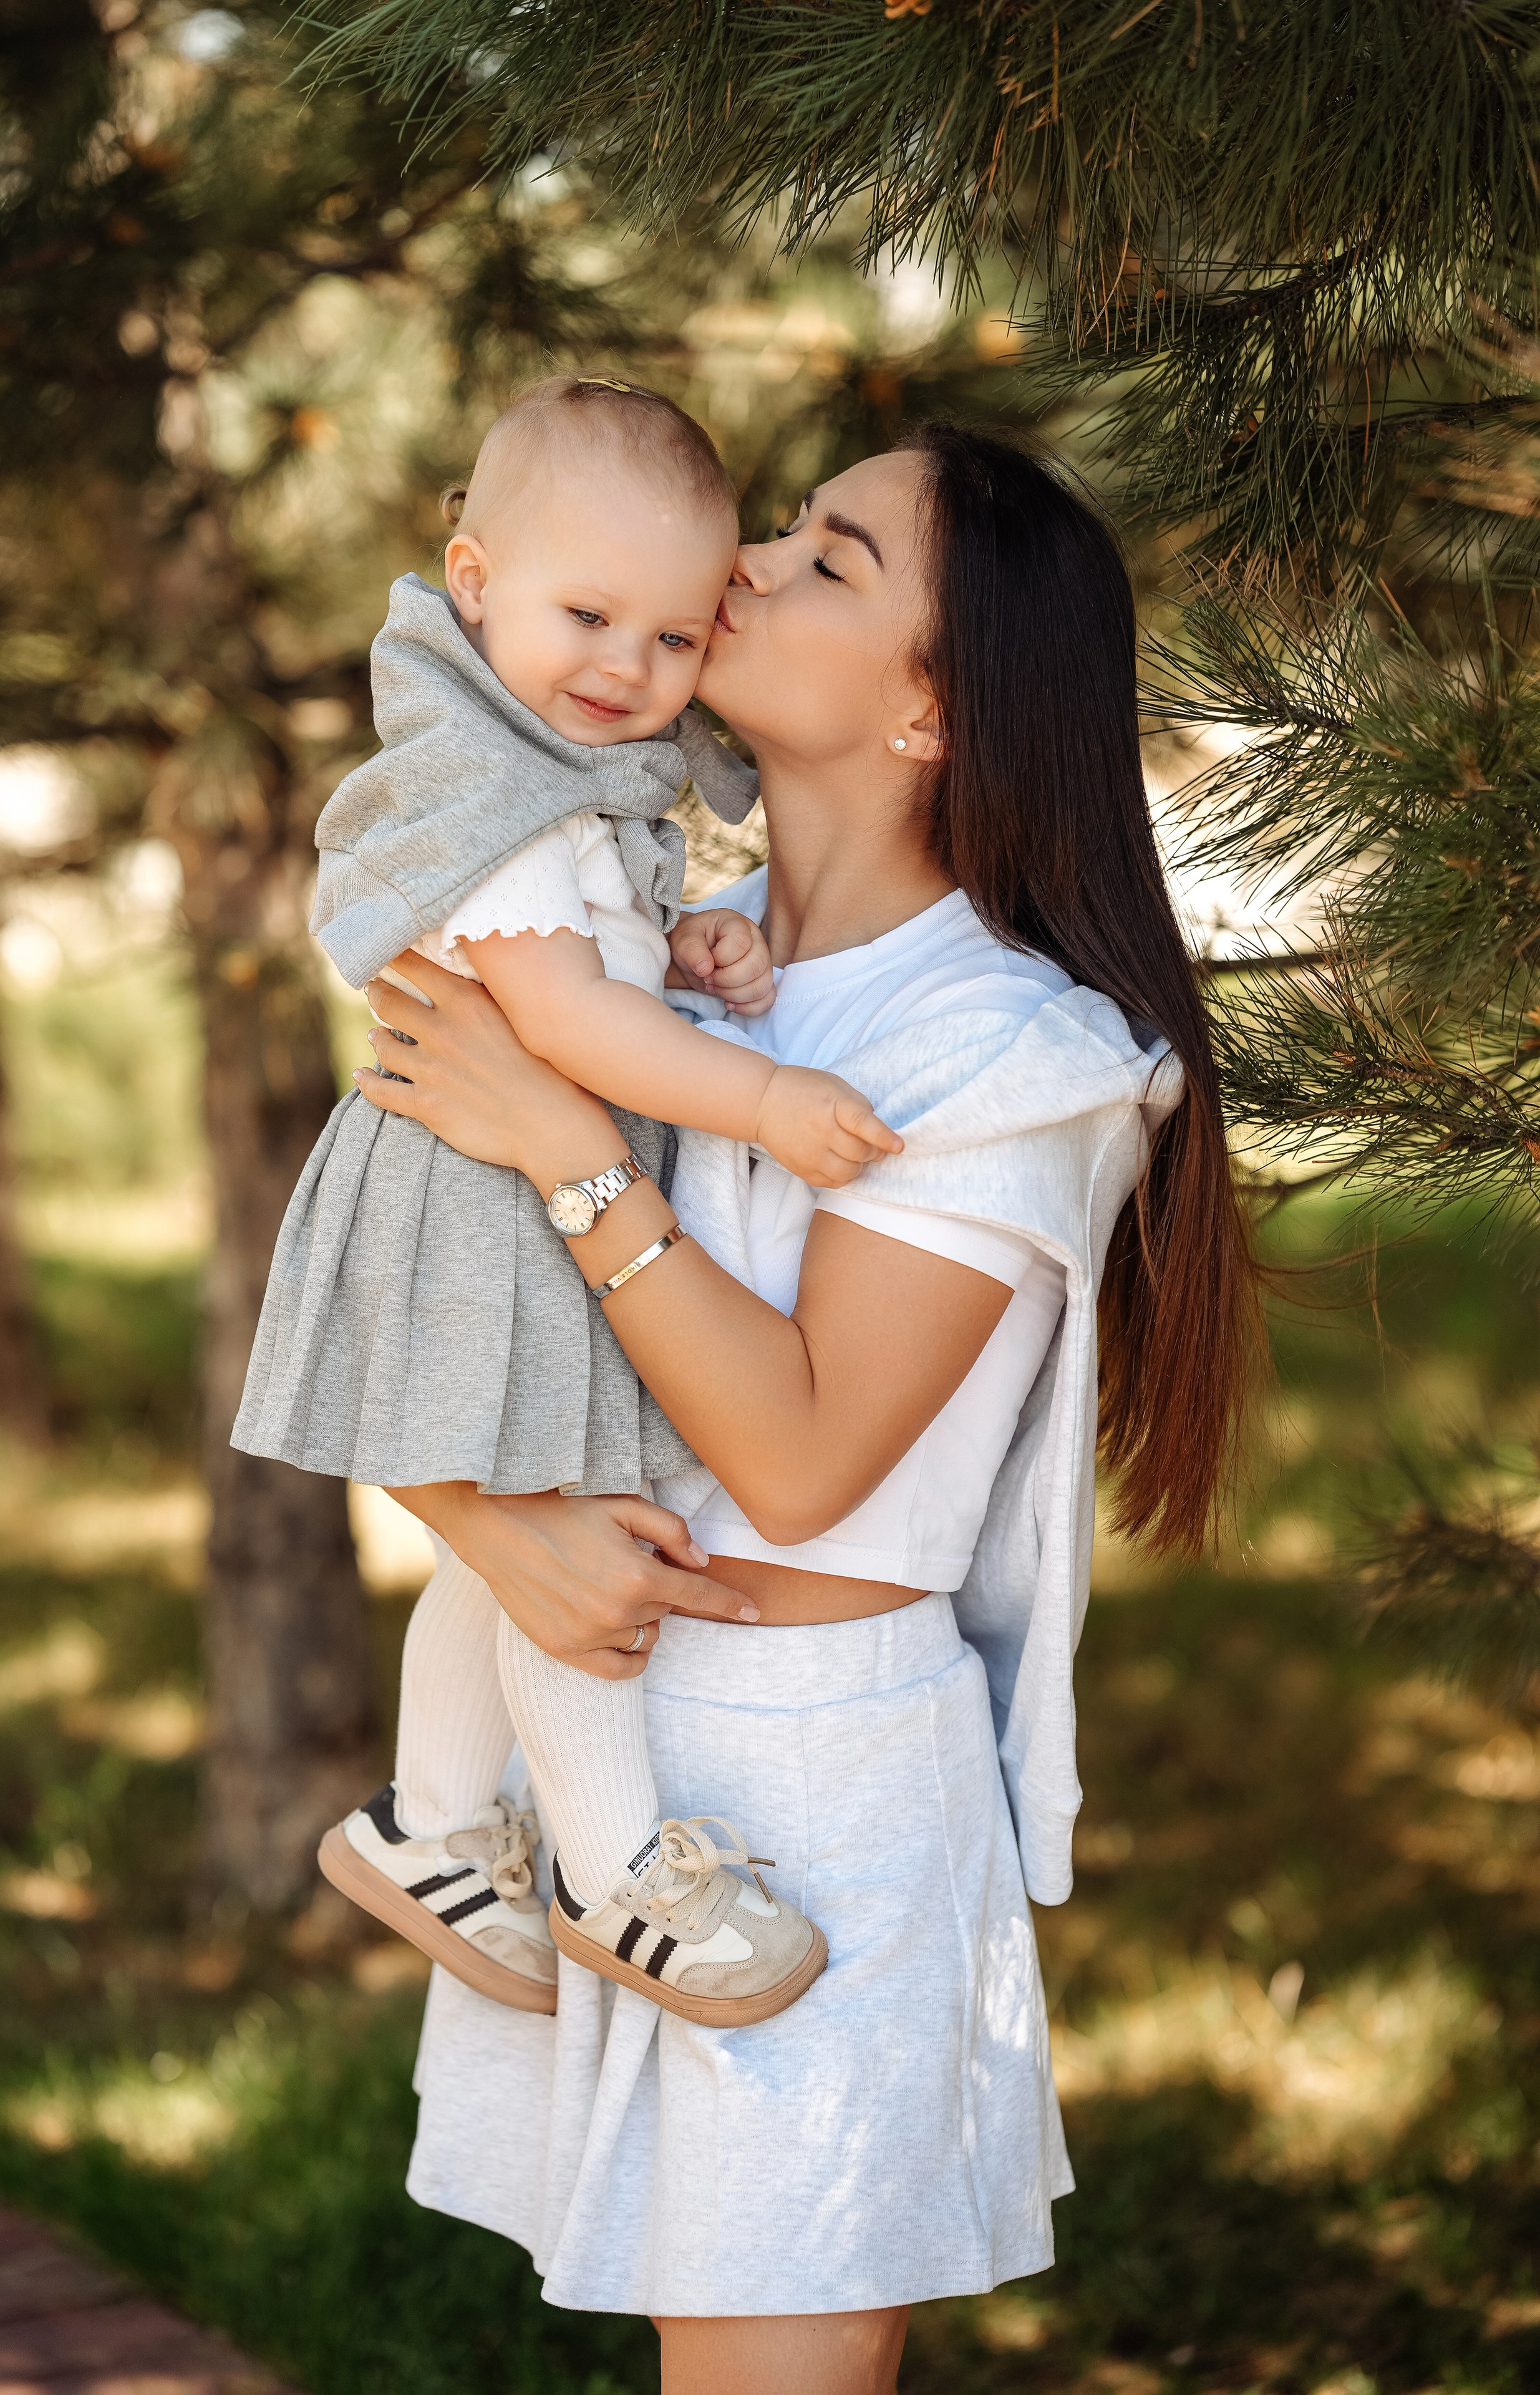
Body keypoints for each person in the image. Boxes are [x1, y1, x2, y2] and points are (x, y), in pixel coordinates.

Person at [351, 424, 1259, 2395]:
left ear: (931, 706)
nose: (747, 563)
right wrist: (497, 1537)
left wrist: (571, 1147)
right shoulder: (667, 954)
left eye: (831, 558)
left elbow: (805, 1450)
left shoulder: (1009, 1047)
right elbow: (407, 1304)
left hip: (821, 1809)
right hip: (608, 1767)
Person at [233, 376, 900, 2024]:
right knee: (582, 1514)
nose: (628, 667)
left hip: (500, 1184)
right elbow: (570, 1022)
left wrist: (689, 951)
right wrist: (761, 1091)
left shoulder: (558, 776)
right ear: (472, 582)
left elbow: (605, 965)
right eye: (587, 615)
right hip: (484, 1202)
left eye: (673, 641)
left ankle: (432, 1820)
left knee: (509, 1544)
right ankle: (619, 1880)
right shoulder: (505, 800)